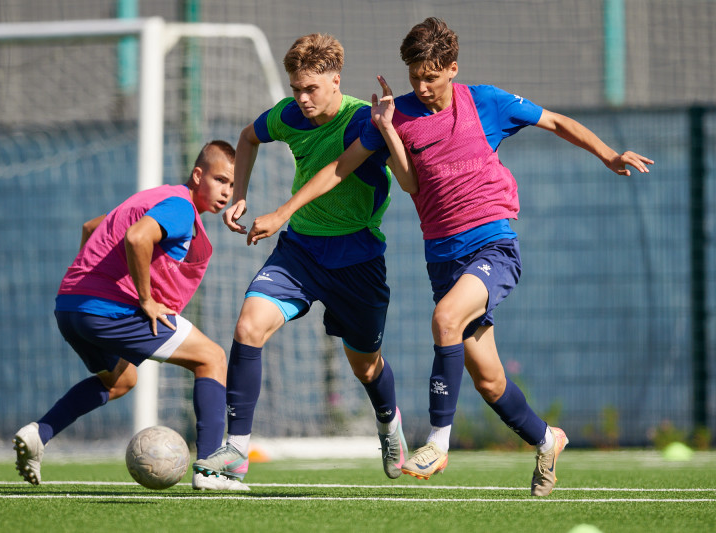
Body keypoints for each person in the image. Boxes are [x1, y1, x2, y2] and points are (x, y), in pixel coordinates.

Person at [279, 17, 653, 496]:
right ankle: (547, 438)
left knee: (445, 319)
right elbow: (394, 179)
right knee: (490, 381)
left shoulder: (487, 102)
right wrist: (387, 135)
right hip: (443, 259)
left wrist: (606, 154)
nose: (421, 86)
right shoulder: (399, 116)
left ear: (452, 69)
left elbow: (556, 121)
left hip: (493, 245)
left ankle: (436, 442)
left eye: (431, 77)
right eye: (414, 76)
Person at [190, 33, 411, 485]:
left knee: (365, 366)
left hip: (357, 257)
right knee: (248, 326)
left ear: (335, 80)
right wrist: (243, 194)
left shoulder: (360, 120)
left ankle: (390, 426)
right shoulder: (289, 115)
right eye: (295, 89)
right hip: (303, 249)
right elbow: (248, 137)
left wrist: (280, 212)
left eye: (311, 88)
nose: (302, 98)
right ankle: (236, 450)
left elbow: (337, 170)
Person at [12, 140, 248, 491]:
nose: (227, 191)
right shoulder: (181, 208)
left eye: (232, 184)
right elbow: (138, 239)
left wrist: (89, 283)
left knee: (121, 381)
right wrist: (146, 299)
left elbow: (91, 228)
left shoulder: (153, 196)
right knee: (211, 358)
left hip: (69, 305)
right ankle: (210, 470)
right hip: (110, 310)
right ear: (198, 175)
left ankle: (38, 434)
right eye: (220, 180)